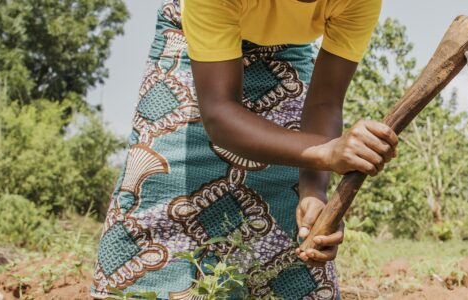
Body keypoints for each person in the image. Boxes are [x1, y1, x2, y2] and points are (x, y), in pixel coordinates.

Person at [91, 0, 392, 298]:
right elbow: (220, 114)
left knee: (289, 211)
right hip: (190, 39)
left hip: (288, 49)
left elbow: (325, 102)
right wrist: (326, 151)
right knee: (161, 182)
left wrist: (313, 190)